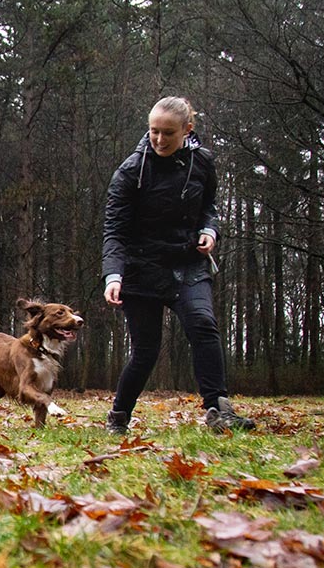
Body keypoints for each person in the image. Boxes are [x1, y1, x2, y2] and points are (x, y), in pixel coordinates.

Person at [101, 96, 255, 434]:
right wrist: (114, 275)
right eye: (154, 131)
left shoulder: (203, 163)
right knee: (146, 351)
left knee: (203, 324)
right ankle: (119, 417)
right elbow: (114, 231)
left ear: (188, 129)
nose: (159, 139)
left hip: (188, 263)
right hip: (142, 267)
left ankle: (219, 409)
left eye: (168, 133)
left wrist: (209, 230)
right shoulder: (130, 172)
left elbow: (209, 206)